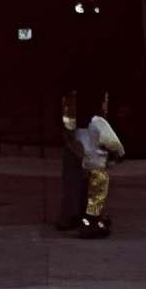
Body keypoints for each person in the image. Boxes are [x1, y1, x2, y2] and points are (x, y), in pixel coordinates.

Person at [75, 92, 124, 237]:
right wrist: (118, 155)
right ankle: (94, 227)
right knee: (96, 198)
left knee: (85, 198)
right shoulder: (98, 122)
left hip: (84, 167)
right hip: (98, 167)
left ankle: (86, 224)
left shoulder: (79, 125)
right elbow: (114, 143)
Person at [55, 88, 86, 230]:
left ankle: (75, 215)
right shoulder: (70, 107)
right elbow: (68, 134)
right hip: (75, 149)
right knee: (73, 183)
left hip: (77, 147)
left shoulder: (72, 106)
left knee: (77, 184)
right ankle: (70, 216)